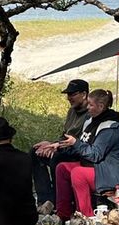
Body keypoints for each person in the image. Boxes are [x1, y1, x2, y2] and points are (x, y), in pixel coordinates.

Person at [52, 89, 119, 220]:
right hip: (96, 168)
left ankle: (87, 218)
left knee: (78, 173)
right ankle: (63, 215)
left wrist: (75, 143)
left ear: (101, 106)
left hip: (112, 173)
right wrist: (60, 146)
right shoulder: (91, 121)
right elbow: (83, 145)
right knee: (62, 168)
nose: (87, 107)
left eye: (90, 105)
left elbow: (95, 155)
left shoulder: (110, 128)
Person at [30, 79, 90, 214]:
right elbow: (65, 135)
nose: (69, 98)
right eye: (68, 95)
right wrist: (50, 144)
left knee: (56, 159)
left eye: (73, 94)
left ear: (84, 94)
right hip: (64, 146)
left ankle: (58, 201)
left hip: (78, 150)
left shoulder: (89, 114)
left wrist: (57, 147)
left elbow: (82, 140)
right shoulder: (72, 112)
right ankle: (45, 198)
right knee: (35, 152)